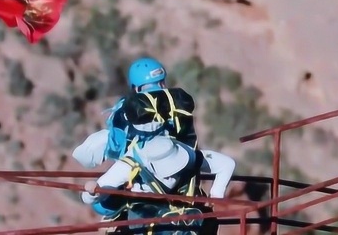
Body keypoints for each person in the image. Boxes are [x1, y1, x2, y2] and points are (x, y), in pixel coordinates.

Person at [81, 136, 236, 235]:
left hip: (180, 214)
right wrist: (92, 192)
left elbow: (226, 164)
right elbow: (92, 194)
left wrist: (216, 195)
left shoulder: (187, 154)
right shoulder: (128, 165)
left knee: (208, 220)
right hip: (147, 218)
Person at [72, 56, 198, 167]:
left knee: (90, 192)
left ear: (136, 87)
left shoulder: (125, 107)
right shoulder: (177, 101)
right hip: (182, 164)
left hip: (136, 171)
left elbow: (115, 145)